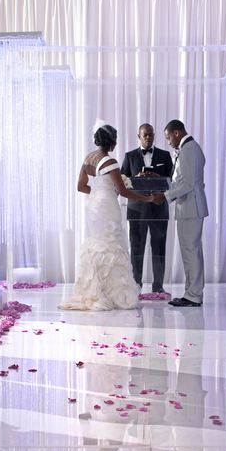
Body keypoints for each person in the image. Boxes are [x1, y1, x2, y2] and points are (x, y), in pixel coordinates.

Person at [59, 122, 156, 311]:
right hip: (107, 204)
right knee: (111, 243)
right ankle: (114, 292)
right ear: (111, 141)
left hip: (94, 204)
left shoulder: (88, 158)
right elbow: (123, 191)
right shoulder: (110, 162)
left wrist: (97, 191)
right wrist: (148, 198)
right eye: (116, 139)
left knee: (98, 242)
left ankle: (96, 288)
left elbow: (80, 186)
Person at [157, 119, 208, 307]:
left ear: (177, 133)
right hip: (188, 207)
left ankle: (193, 295)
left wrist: (165, 196)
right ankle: (192, 292)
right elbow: (183, 180)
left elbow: (187, 184)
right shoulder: (189, 148)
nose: (168, 141)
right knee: (191, 251)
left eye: (168, 137)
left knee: (191, 251)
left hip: (190, 208)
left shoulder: (188, 150)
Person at [120, 123, 174, 295]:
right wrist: (137, 177)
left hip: (159, 208)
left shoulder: (165, 156)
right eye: (145, 135)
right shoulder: (129, 156)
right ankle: (136, 285)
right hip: (137, 210)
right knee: (136, 248)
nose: (148, 138)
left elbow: (173, 179)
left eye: (151, 135)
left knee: (159, 248)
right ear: (139, 136)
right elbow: (122, 181)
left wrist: (158, 177)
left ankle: (158, 286)